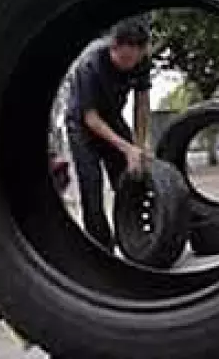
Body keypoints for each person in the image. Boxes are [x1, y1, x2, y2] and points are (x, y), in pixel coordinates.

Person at [65, 15, 153, 252]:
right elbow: (90, 119)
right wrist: (127, 148)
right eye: (124, 59)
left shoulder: (141, 60)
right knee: (91, 187)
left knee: (130, 178)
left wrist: (139, 144)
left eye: (134, 60)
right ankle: (101, 249)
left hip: (112, 118)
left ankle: (136, 238)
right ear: (113, 46)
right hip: (83, 125)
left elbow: (141, 103)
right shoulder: (89, 65)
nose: (128, 65)